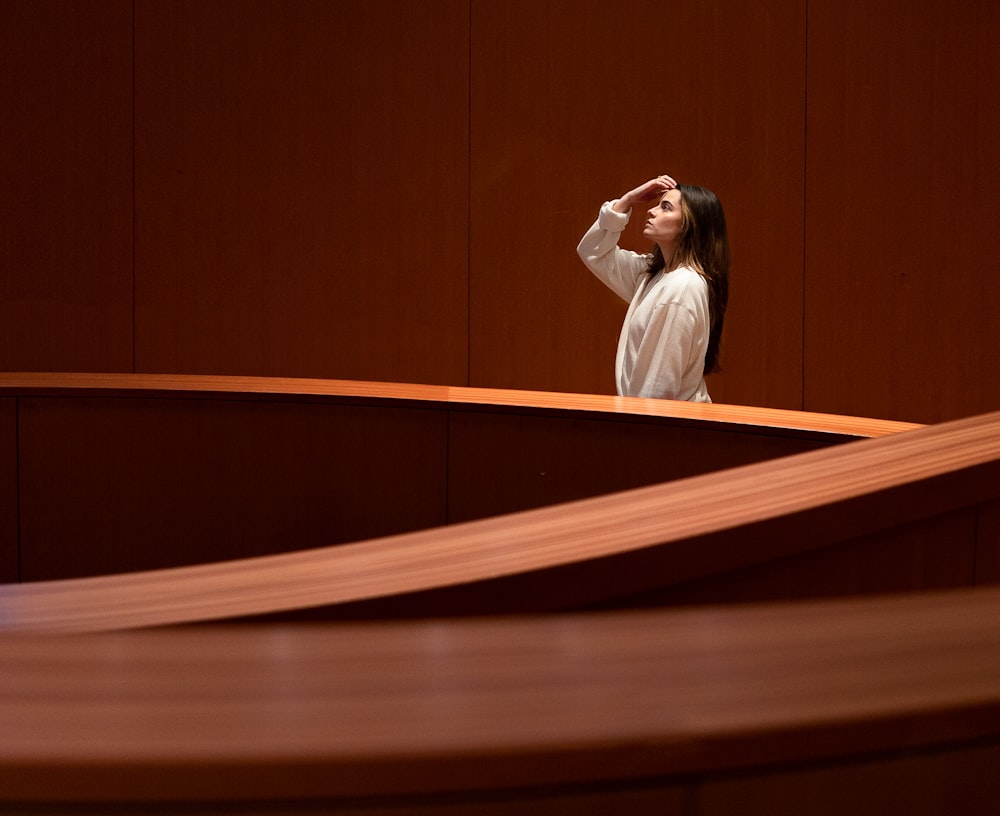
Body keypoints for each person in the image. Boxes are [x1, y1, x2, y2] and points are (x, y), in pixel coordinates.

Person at [577, 174, 730, 402]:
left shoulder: (682, 286)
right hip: (655, 419)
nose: (651, 211)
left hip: (665, 427)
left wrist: (637, 431)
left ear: (690, 225)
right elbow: (592, 252)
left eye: (666, 207)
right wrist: (626, 202)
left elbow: (659, 388)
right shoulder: (654, 275)